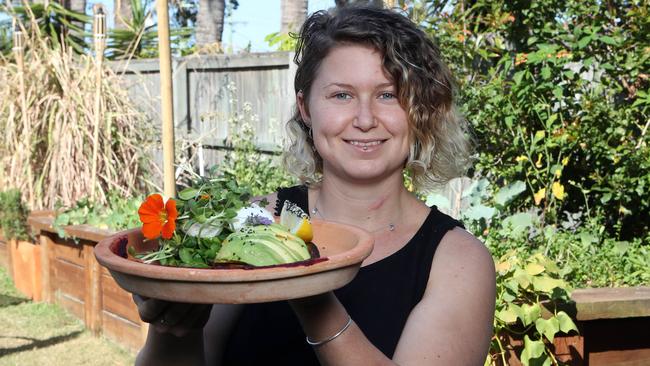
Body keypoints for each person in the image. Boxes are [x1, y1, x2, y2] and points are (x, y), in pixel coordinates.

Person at [133, 5, 496, 365]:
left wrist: (307, 288)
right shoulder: (254, 221)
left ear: (420, 109)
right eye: (342, 95)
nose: (365, 119)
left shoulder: (457, 261)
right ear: (306, 108)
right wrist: (171, 322)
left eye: (388, 95)